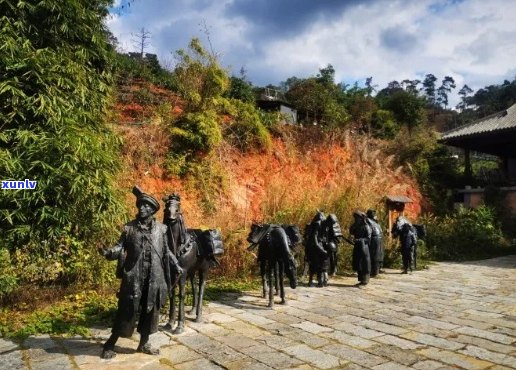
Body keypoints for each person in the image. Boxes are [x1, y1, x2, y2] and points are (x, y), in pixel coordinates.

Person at [99, 186, 183, 359]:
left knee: (150, 311)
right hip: (134, 276)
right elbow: (119, 247)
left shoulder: (162, 229)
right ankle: (110, 344)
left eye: (145, 206)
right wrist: (109, 252)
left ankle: (144, 343)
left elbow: (166, 251)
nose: (141, 208)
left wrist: (176, 264)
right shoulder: (129, 228)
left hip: (155, 276)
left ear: (152, 210)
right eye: (140, 205)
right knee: (126, 310)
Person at [304, 211, 329, 287]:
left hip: (318, 245)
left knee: (320, 264)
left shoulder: (323, 224)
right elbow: (314, 238)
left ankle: (320, 281)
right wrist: (320, 248)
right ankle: (311, 281)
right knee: (313, 264)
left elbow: (323, 236)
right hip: (314, 247)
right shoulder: (317, 223)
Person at [349, 210, 372, 285]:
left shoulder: (366, 227)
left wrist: (358, 240)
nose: (356, 219)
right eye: (355, 218)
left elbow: (368, 239)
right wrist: (355, 224)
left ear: (361, 218)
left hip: (364, 248)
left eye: (357, 218)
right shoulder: (356, 226)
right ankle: (361, 279)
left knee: (364, 263)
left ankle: (365, 280)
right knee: (358, 263)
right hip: (357, 247)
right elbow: (351, 231)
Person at [366, 209, 384, 277]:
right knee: (376, 255)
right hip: (377, 238)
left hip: (375, 238)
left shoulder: (369, 221)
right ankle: (375, 271)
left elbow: (368, 231)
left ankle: (374, 271)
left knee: (374, 255)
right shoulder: (373, 222)